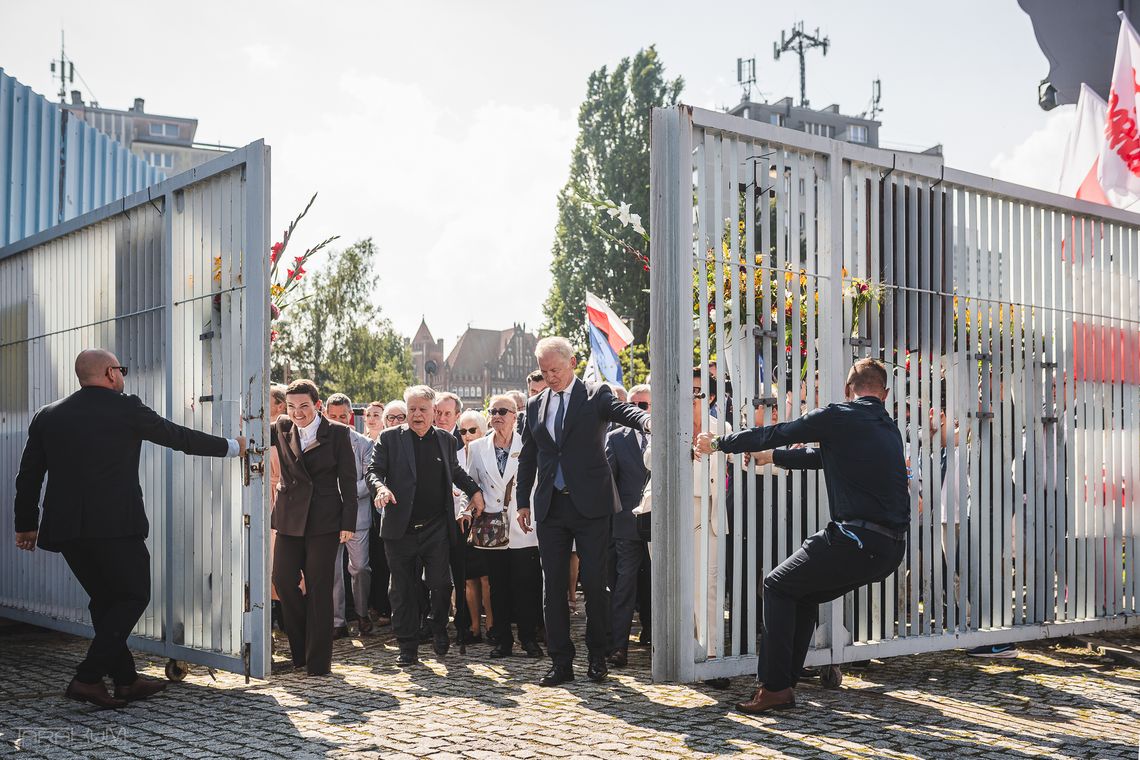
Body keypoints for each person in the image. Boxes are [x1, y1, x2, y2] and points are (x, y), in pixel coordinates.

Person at [13, 348, 247, 708]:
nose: (123, 375)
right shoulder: (125, 407)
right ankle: (88, 678)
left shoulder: (48, 415)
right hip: (116, 526)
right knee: (134, 595)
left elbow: (29, 474)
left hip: (67, 530)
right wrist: (232, 447)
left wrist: (26, 524)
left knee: (105, 601)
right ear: (110, 373)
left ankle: (125, 680)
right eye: (121, 369)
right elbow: (177, 437)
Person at [696, 358, 909, 713]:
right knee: (803, 592)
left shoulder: (838, 415)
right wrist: (774, 458)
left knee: (777, 585)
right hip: (889, 549)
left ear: (846, 390)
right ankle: (785, 683)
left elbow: (780, 430)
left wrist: (720, 443)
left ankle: (775, 688)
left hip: (854, 540)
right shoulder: (888, 427)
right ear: (884, 394)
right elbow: (823, 457)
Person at [516, 337, 650, 687]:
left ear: (572, 362)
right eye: (544, 372)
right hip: (550, 506)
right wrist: (522, 502)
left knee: (594, 583)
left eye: (555, 370)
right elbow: (530, 456)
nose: (550, 377)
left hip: (591, 505)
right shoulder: (534, 405)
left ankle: (596, 656)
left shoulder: (596, 394)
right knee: (553, 586)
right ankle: (561, 662)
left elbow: (626, 412)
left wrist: (647, 421)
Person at [367, 386, 485, 666]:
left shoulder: (445, 439)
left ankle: (439, 625)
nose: (417, 414)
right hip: (400, 527)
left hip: (435, 527)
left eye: (423, 409)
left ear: (434, 412)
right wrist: (381, 489)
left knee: (441, 584)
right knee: (403, 589)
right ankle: (407, 645)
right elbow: (374, 471)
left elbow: (455, 472)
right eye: (412, 409)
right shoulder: (389, 439)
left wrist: (475, 491)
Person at [270, 379, 358, 676]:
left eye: (304, 406)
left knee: (320, 589)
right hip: (289, 518)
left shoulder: (338, 433)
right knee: (282, 580)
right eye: (292, 406)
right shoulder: (281, 427)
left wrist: (349, 523)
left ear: (317, 405)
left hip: (324, 521)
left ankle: (318, 663)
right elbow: (248, 425)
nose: (298, 412)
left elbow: (347, 481)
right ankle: (300, 652)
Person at [465, 395, 544, 658]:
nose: (497, 415)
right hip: (492, 527)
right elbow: (469, 482)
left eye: (503, 411)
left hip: (523, 525)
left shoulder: (529, 445)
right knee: (497, 586)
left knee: (526, 584)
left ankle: (528, 638)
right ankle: (503, 640)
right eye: (493, 411)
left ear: (515, 416)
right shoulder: (477, 448)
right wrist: (473, 498)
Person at [605, 384, 652, 667]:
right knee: (624, 585)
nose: (637, 410)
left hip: (661, 523)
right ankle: (618, 646)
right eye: (632, 406)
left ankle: (661, 638)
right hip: (626, 524)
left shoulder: (669, 433)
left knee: (660, 583)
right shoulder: (615, 438)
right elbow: (608, 481)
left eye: (643, 405)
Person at [325, 393, 376, 638]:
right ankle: (337, 621)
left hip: (358, 517)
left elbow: (369, 482)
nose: (337, 421)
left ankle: (363, 612)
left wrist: (338, 493)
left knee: (359, 568)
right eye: (332, 416)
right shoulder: (318, 442)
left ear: (350, 417)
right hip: (328, 518)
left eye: (342, 416)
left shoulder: (364, 444)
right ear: (325, 415)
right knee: (333, 570)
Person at [367, 400, 408, 625]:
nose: (395, 421)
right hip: (381, 511)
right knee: (382, 562)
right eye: (390, 418)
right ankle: (386, 610)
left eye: (400, 417)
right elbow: (372, 473)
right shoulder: (380, 443)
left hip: (410, 514)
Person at [454, 409, 491, 643]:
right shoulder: (455, 456)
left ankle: (493, 626)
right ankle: (474, 627)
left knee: (487, 579)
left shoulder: (488, 452)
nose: (467, 435)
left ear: (482, 430)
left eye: (472, 430)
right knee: (468, 579)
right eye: (463, 431)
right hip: (461, 522)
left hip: (488, 520)